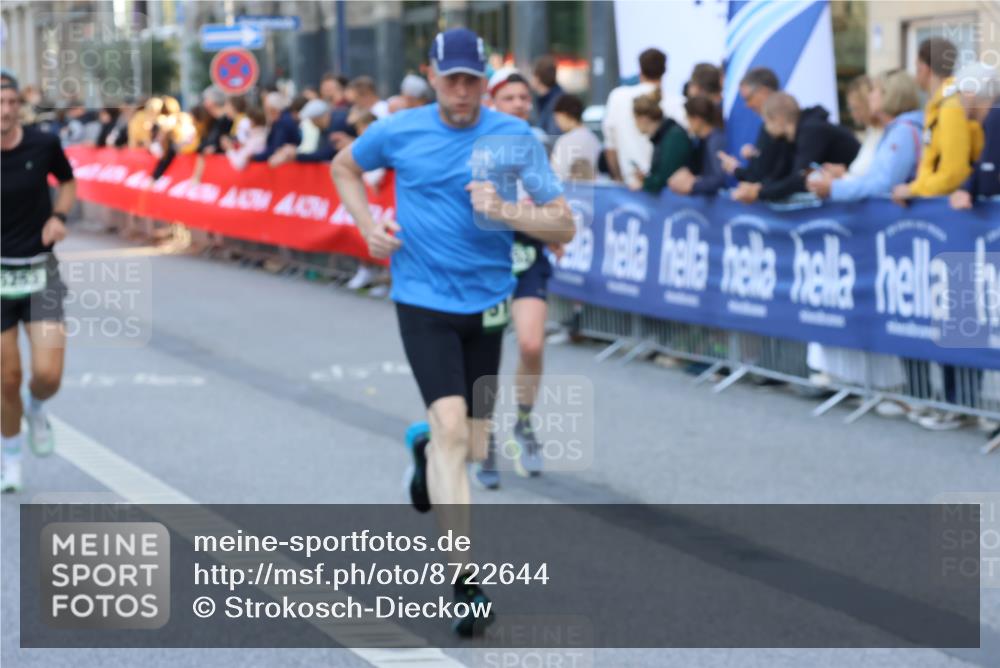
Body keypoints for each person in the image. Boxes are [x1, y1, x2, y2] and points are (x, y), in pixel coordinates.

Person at [330, 27, 573, 636]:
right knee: (451, 431)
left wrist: (506, 211)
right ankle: (464, 583)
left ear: (486, 80)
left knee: (471, 442)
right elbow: (343, 167)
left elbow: (563, 226)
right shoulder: (400, 130)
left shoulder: (515, 136)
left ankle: (424, 447)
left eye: (472, 80)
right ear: (431, 76)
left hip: (488, 304)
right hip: (421, 300)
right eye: (451, 79)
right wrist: (366, 226)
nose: (462, 91)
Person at [472, 66, 564, 489]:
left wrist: (553, 229)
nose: (519, 105)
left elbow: (556, 207)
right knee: (481, 356)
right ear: (492, 103)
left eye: (524, 99)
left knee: (530, 342)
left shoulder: (537, 144)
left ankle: (523, 425)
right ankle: (483, 437)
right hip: (485, 261)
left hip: (528, 257)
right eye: (509, 99)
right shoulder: (478, 147)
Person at [1, 71, 76, 492]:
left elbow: (67, 183)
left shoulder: (43, 144)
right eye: (0, 103)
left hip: (39, 270)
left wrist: (58, 217)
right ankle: (10, 461)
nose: (7, 111)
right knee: (6, 378)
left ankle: (37, 407)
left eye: (12, 102)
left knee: (47, 374)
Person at [807, 69, 923, 202]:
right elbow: (874, 178)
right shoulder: (896, 131)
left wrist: (835, 187)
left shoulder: (903, 132)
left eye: (874, 90)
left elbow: (884, 184)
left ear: (889, 95)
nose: (870, 96)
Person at [892, 37, 983, 205]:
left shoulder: (950, 106)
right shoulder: (940, 104)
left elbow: (954, 173)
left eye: (916, 67)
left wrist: (914, 190)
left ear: (924, 68)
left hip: (951, 209)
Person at [732, 92, 860, 203]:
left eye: (767, 121)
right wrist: (759, 188)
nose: (766, 128)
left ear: (778, 119)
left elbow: (799, 178)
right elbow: (782, 172)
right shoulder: (791, 137)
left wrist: (759, 192)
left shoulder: (811, 130)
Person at [602, 48, 687, 189]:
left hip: (636, 187)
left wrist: (618, 180)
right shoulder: (679, 104)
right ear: (664, 70)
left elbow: (610, 147)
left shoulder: (617, 97)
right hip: (664, 190)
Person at [716, 67, 792, 184]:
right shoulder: (775, 124)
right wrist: (756, 157)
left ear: (764, 92)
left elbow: (761, 178)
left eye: (748, 98)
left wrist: (734, 168)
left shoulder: (774, 127)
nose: (747, 105)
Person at [950, 61, 1000, 208]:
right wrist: (966, 188)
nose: (958, 103)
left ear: (969, 95)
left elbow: (989, 182)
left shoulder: (995, 118)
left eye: (959, 96)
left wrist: (968, 190)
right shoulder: (992, 119)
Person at [632, 89, 692, 194]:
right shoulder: (664, 136)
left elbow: (665, 177)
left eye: (635, 118)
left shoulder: (673, 137)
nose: (634, 123)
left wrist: (646, 183)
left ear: (643, 118)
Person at [669, 95, 726, 195]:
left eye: (688, 118)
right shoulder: (699, 141)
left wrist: (693, 185)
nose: (687, 122)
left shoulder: (715, 141)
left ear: (697, 119)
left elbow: (719, 179)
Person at [550, 94, 601, 182]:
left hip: (570, 192)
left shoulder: (564, 141)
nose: (557, 124)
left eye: (557, 119)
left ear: (564, 115)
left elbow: (556, 174)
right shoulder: (594, 139)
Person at [253, 92, 301, 162]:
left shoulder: (283, 122)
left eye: (267, 108)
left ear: (273, 109)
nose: (266, 111)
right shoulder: (282, 119)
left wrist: (255, 157)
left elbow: (276, 147)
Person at [530, 55, 564, 137]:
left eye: (532, 75)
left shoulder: (556, 101)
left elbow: (553, 134)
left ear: (537, 78)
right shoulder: (545, 99)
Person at [197, 85, 233, 154]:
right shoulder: (210, 120)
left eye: (206, 99)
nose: (204, 102)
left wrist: (215, 148)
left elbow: (226, 141)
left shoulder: (227, 120)